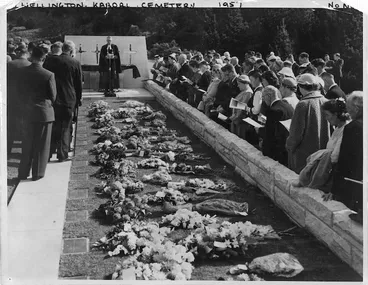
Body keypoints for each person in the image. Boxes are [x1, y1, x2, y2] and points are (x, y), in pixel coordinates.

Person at [17, 44, 57, 181]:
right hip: (43, 113)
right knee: (41, 146)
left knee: (26, 143)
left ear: (31, 56)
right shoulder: (48, 74)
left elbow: (18, 92)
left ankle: (22, 172)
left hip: (26, 111)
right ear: (43, 58)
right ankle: (38, 172)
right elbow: (53, 96)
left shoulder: (22, 72)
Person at [294, 99, 350, 192]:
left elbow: (335, 157)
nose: (326, 118)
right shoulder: (337, 128)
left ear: (336, 114)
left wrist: (323, 155)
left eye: (327, 115)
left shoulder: (345, 129)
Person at [327, 92, 363, 223]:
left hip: (354, 180)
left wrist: (334, 189)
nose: (347, 111)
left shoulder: (353, 127)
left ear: (357, 109)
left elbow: (344, 160)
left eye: (349, 108)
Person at [44, 40, 83, 162]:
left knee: (54, 125)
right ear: (71, 50)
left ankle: (49, 153)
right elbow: (78, 84)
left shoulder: (50, 60)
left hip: (53, 97)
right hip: (68, 98)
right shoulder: (75, 62)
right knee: (65, 126)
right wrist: (78, 98)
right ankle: (62, 154)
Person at [286, 73, 330, 174]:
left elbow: (296, 134)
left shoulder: (303, 104)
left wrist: (289, 146)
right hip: (322, 154)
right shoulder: (325, 101)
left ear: (300, 87)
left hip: (304, 156)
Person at [7, 45, 32, 154]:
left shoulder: (9, 65)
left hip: (11, 98)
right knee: (26, 128)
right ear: (27, 54)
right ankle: (25, 151)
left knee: (11, 126)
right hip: (26, 100)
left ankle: (7, 151)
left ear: (18, 53)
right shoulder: (30, 65)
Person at [261, 86, 294, 166]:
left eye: (263, 97)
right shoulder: (288, 106)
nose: (263, 100)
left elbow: (269, 135)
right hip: (289, 148)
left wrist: (264, 150)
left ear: (268, 96)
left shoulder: (272, 110)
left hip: (277, 151)